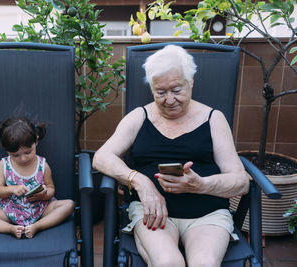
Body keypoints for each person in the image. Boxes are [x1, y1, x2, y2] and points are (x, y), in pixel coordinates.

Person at [92, 45, 249, 266]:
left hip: (207, 214)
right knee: (167, 263)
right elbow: (101, 157)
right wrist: (141, 182)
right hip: (153, 211)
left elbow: (240, 182)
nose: (169, 99)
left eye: (176, 90)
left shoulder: (214, 119)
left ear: (191, 82)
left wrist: (199, 185)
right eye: (160, 92)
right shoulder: (140, 116)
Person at [0, 117, 75, 239]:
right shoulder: (4, 165)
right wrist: (11, 189)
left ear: (36, 141)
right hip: (10, 211)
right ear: (7, 150)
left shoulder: (43, 165)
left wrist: (44, 194)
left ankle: (38, 226)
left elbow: (51, 188)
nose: (23, 159)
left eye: (28, 152)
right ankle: (10, 228)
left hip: (40, 210)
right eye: (15, 155)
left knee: (69, 205)